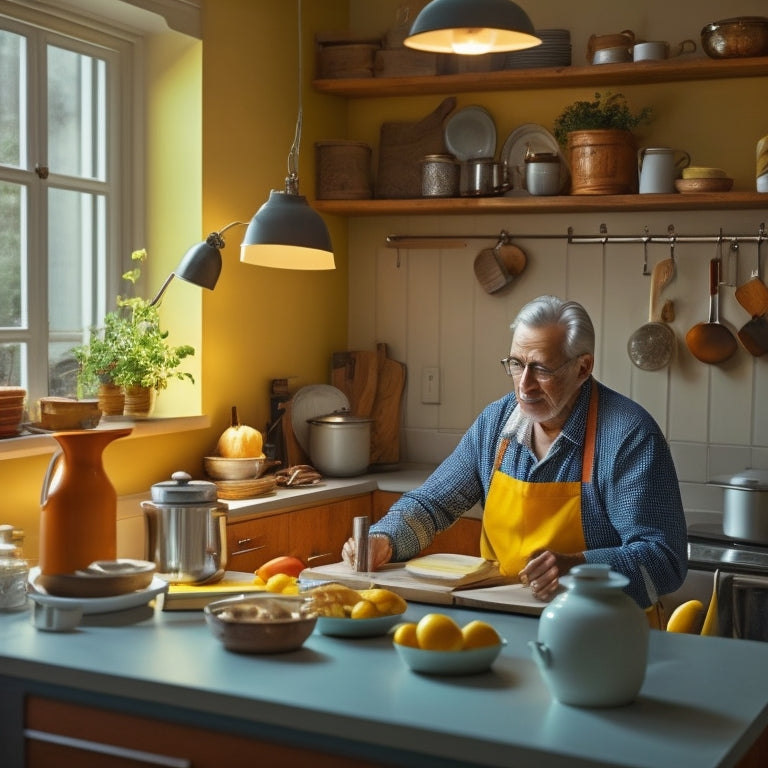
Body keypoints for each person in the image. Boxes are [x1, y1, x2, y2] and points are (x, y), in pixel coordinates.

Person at [342, 295, 688, 608]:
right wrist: (383, 539)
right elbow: (432, 504)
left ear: (583, 368)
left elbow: (664, 562)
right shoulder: (496, 424)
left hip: (598, 634)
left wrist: (581, 568)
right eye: (517, 363)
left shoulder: (628, 436)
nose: (524, 385)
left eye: (541, 368)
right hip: (500, 619)